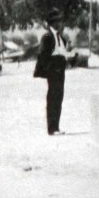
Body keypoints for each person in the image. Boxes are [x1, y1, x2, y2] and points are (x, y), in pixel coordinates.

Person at [34, 8, 69, 136]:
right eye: (56, 21)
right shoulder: (48, 37)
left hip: (60, 71)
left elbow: (62, 53)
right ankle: (51, 128)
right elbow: (42, 55)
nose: (58, 24)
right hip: (54, 72)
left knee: (59, 98)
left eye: (59, 21)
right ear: (51, 23)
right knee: (53, 98)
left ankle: (56, 127)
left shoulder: (60, 37)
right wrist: (50, 69)